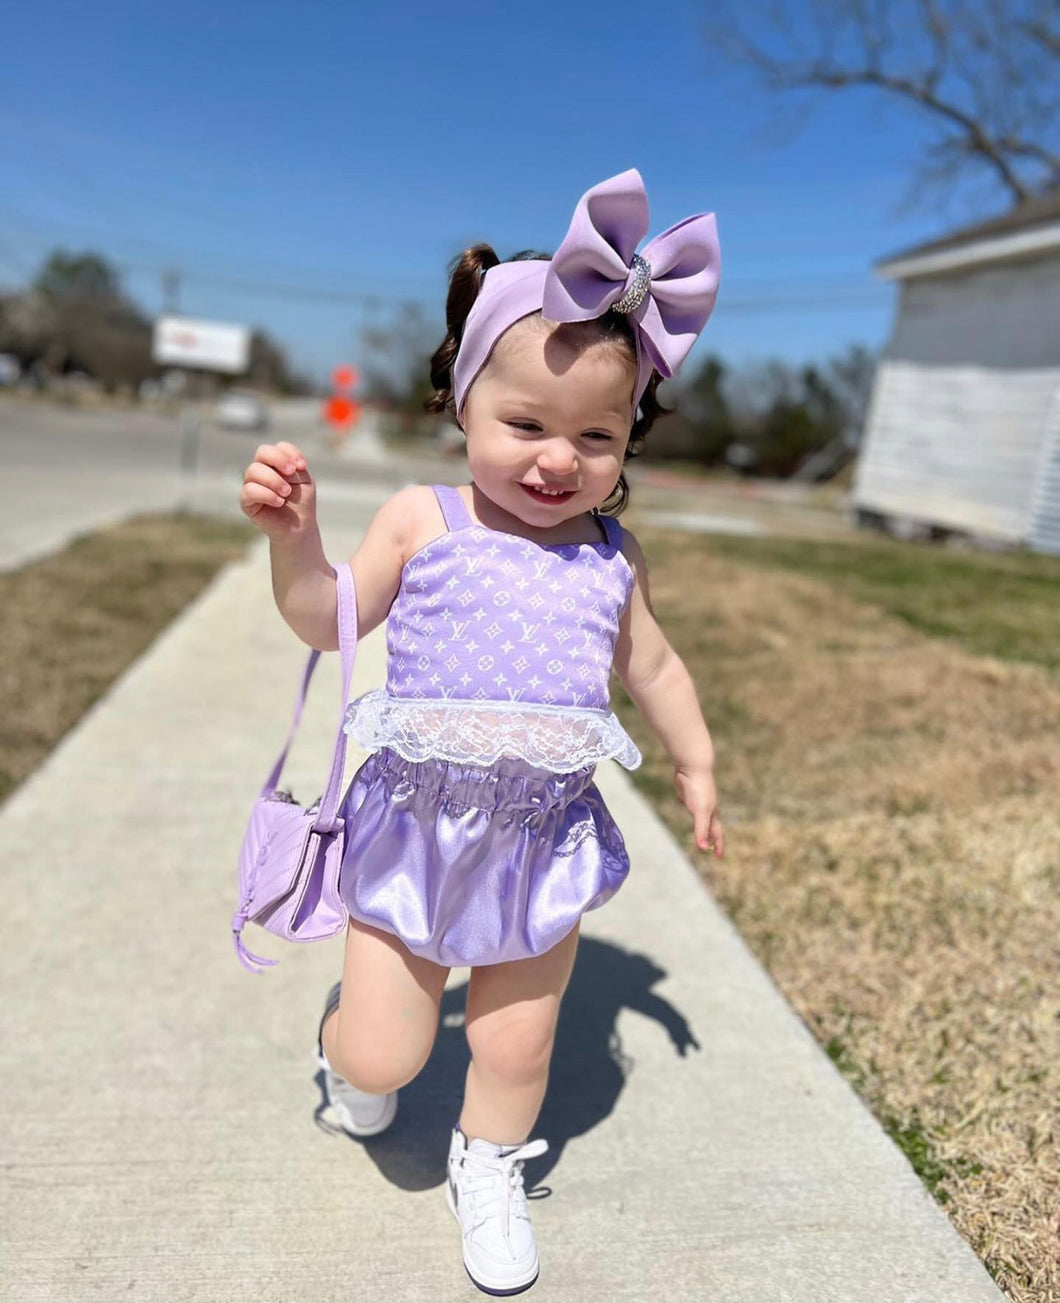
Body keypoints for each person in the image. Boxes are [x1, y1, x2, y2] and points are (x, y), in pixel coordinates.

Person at [239, 168, 724, 1296]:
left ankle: (492, 1162)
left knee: (515, 1045)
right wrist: (294, 544)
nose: (559, 460)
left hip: (542, 835)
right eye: (525, 424)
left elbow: (650, 663)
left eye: (597, 436)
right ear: (461, 403)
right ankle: (345, 1044)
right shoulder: (425, 519)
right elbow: (327, 620)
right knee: (382, 1054)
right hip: (412, 830)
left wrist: (695, 760)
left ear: (628, 441)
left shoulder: (611, 556)